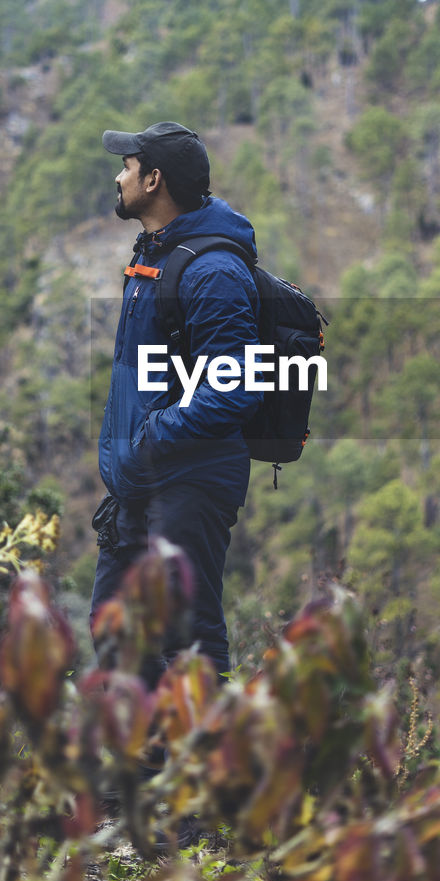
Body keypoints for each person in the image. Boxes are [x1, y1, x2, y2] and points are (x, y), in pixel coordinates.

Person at [90, 121, 259, 683]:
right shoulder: (155, 256)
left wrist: (151, 437)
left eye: (128, 167)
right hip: (144, 484)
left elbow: (234, 386)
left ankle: (206, 767)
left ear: (154, 179)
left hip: (187, 483)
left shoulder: (213, 271)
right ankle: (146, 763)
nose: (119, 177)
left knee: (187, 641)